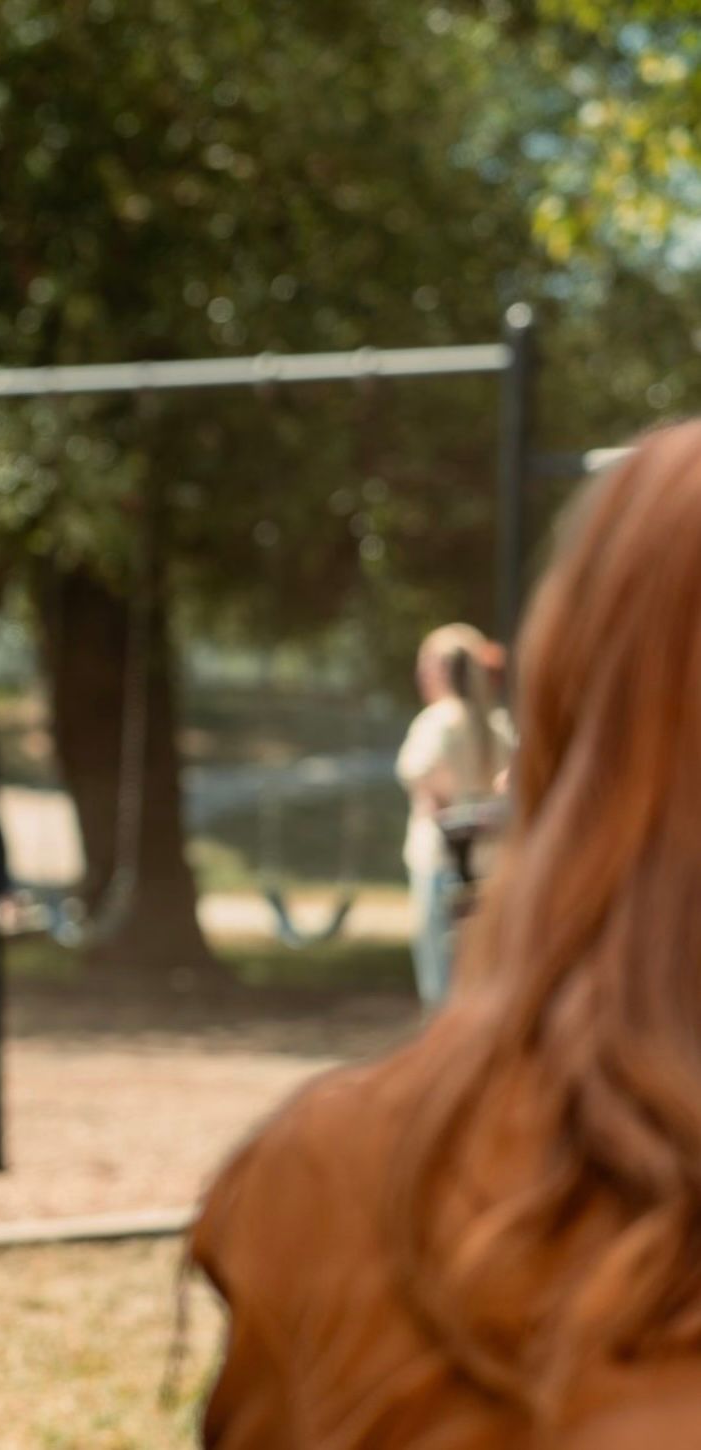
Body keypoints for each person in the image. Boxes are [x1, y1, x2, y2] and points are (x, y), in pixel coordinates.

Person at [191, 422, 701, 1444]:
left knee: (444, 981)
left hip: (449, 871)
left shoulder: (329, 1177)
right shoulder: (489, 733)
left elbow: (431, 792)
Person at [397, 621, 513, 1009]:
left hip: (440, 862)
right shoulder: (498, 725)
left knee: (441, 986)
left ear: (441, 669)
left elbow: (420, 775)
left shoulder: (437, 722)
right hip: (490, 868)